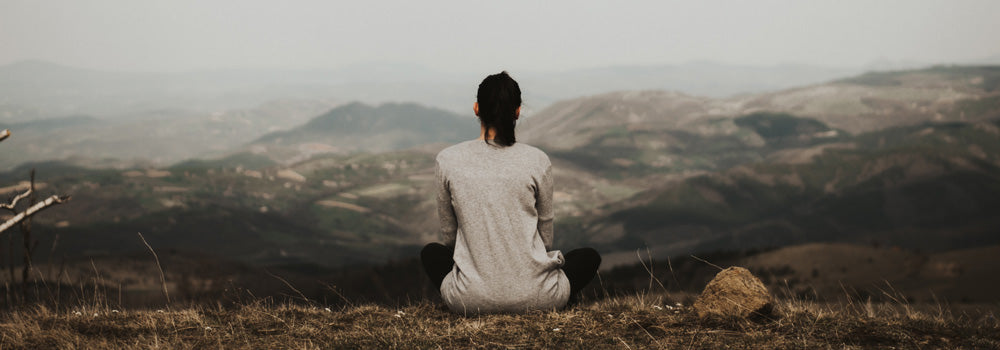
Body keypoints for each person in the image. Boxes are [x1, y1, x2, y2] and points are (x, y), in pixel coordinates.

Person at [421, 71, 601, 314]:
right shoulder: (537, 160)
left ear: (476, 108)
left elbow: (450, 238)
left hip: (469, 300)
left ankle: (477, 293)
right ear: (517, 112)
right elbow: (545, 238)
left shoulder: (447, 160)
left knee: (431, 253)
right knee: (588, 256)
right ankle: (547, 298)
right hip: (540, 298)